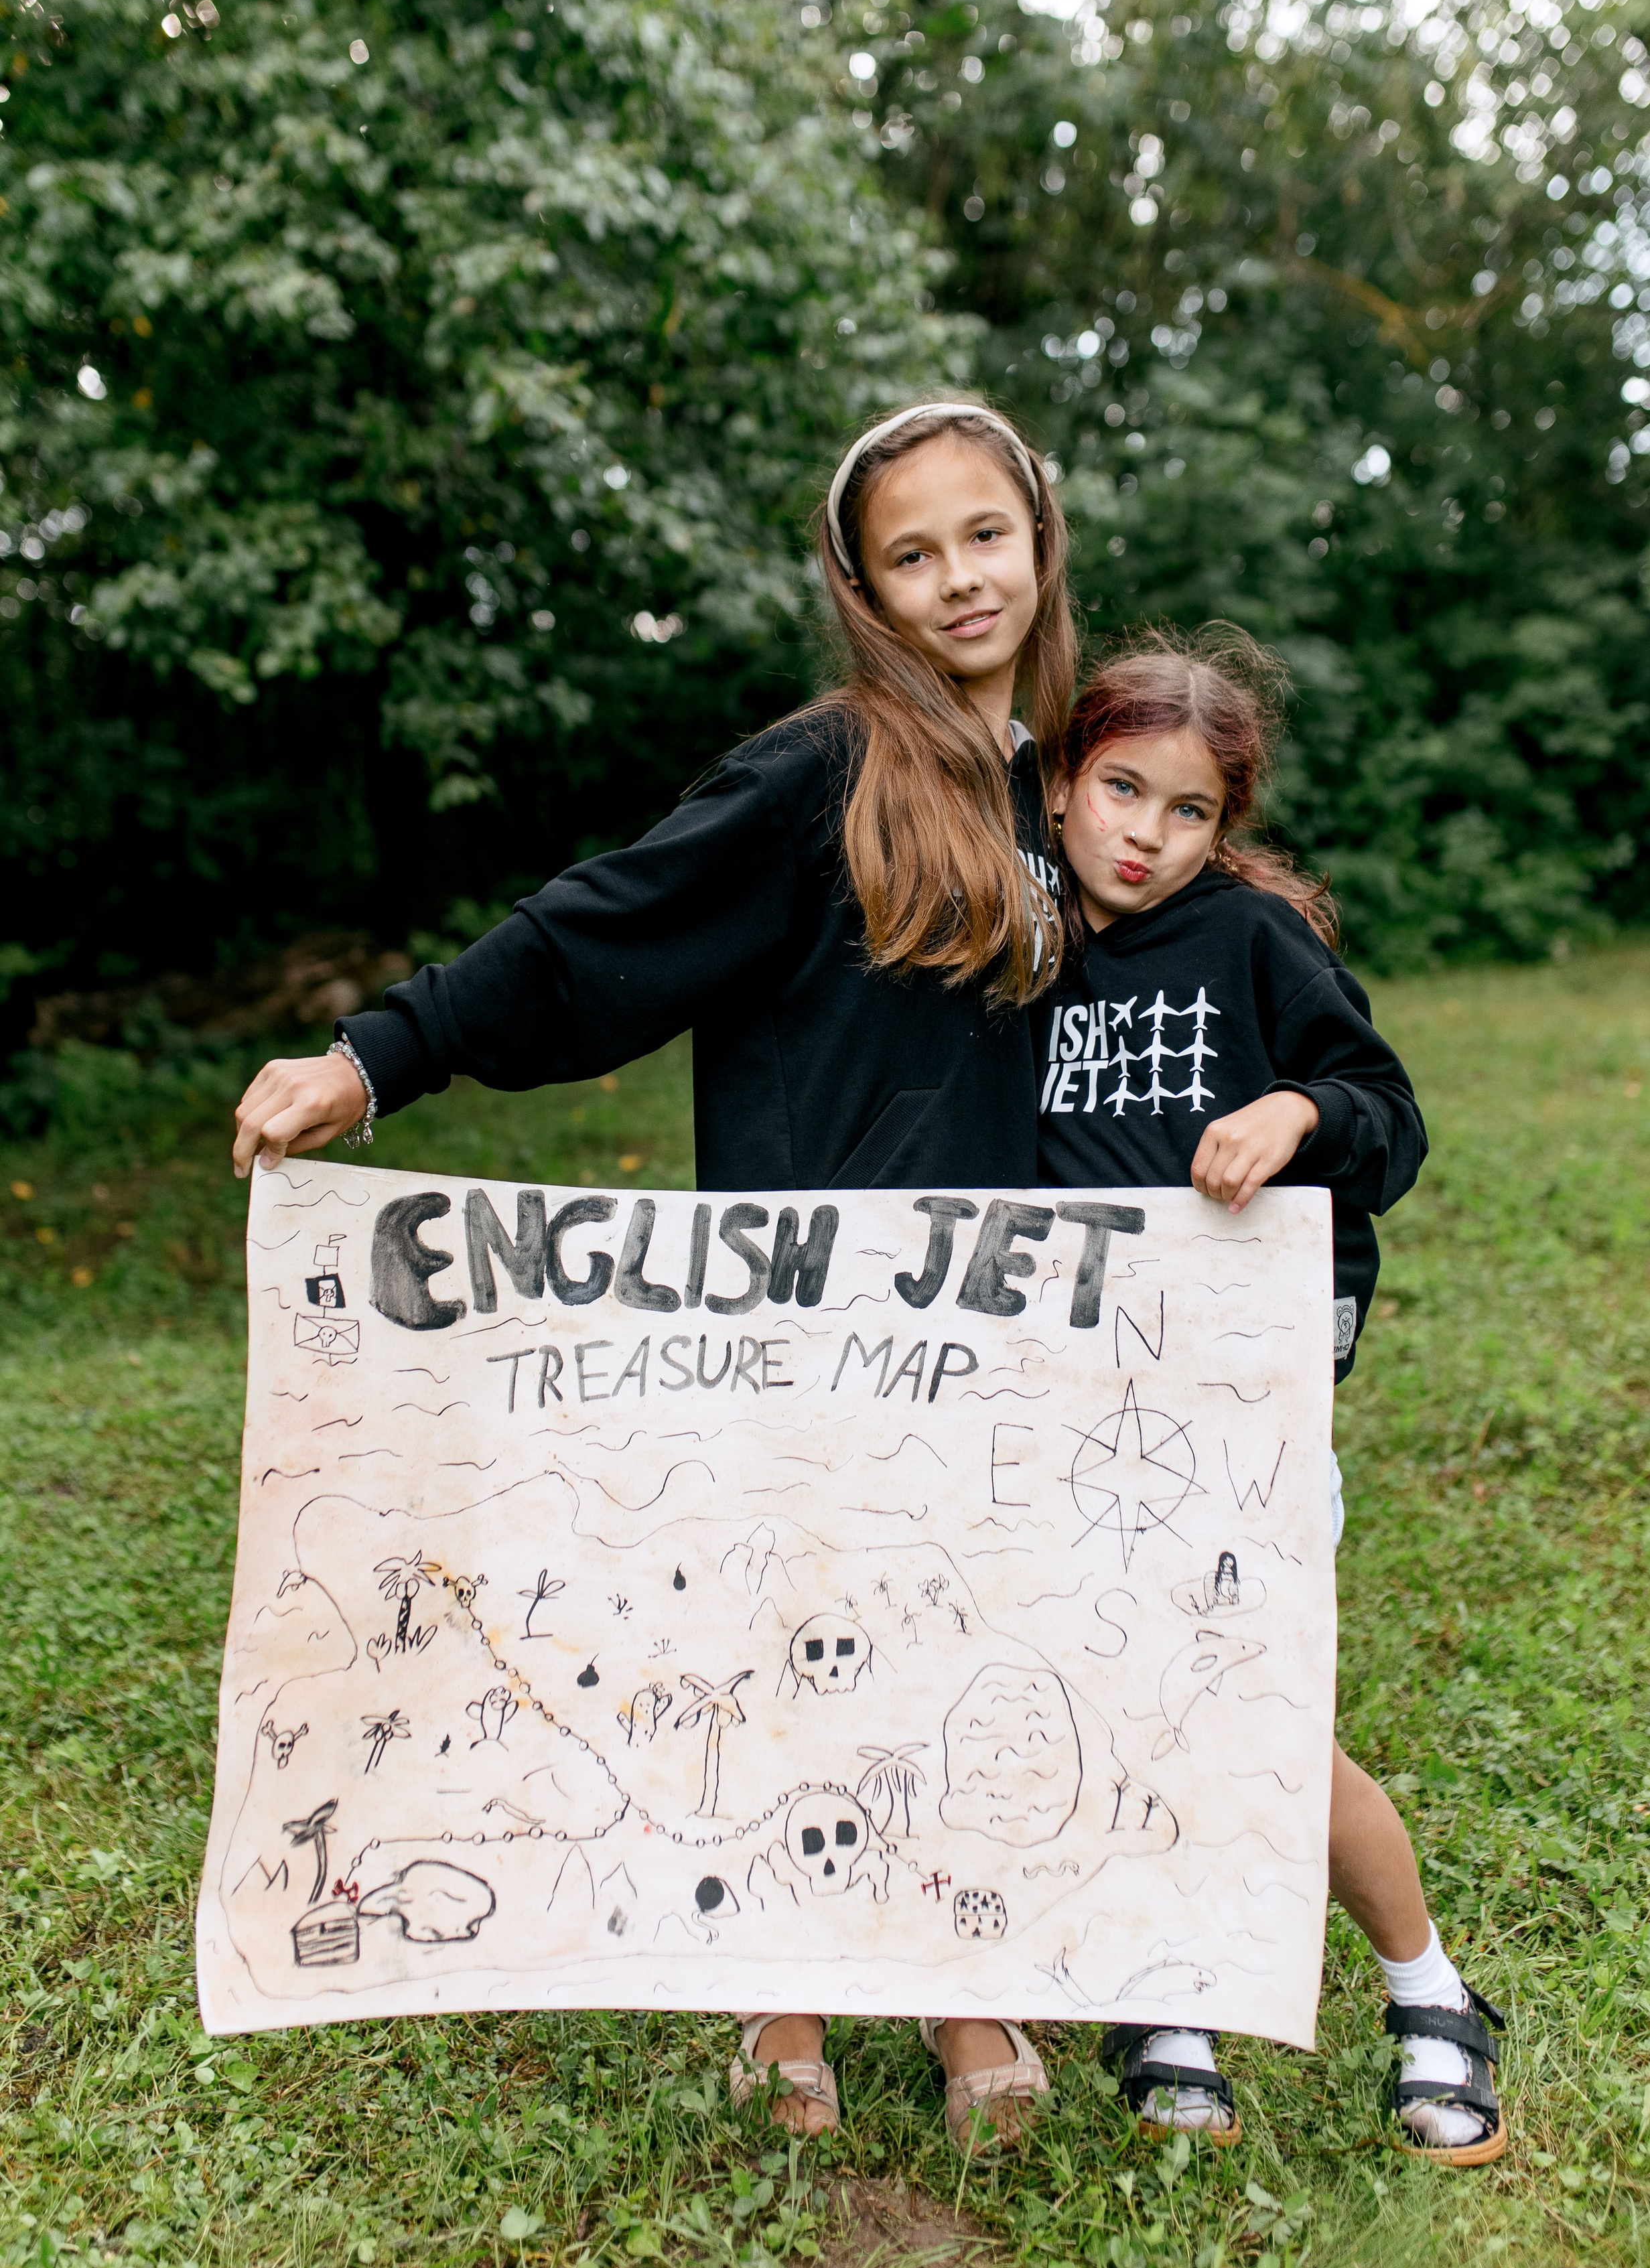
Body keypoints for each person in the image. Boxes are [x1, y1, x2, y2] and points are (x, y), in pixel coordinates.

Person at [231, 395, 1073, 2150]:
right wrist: (377, 1055)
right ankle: (781, 1993)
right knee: (791, 1640)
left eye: (983, 535)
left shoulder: (1073, 789)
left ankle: (953, 1980)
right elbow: (599, 927)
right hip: (802, 1305)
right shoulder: (821, 770)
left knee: (949, 1630)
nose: (958, 579)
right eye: (911, 553)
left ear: (1042, 536)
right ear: (863, 585)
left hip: (996, 1318)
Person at [1032, 625, 1508, 2170]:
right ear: (1056, 785)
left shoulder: (1247, 942)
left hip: (1240, 1413)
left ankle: (1424, 1988)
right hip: (1072, 1413)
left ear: (1221, 830)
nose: (1145, 835)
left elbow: (1392, 1118)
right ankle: (1166, 1994)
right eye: (1119, 790)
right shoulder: (1017, 947)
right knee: (1120, 1705)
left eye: (1187, 813)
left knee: (1252, 1717)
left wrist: (1296, 1106)